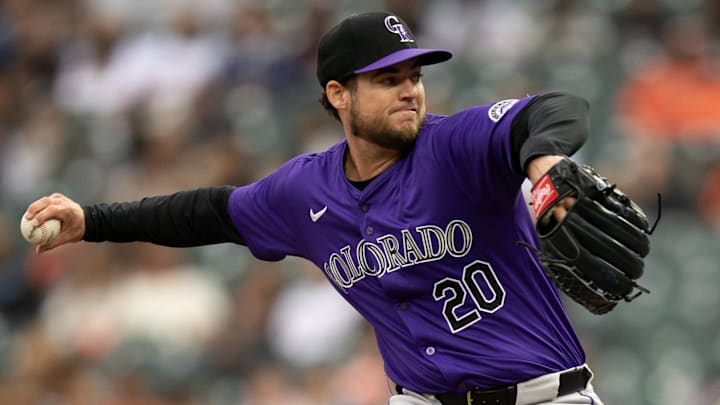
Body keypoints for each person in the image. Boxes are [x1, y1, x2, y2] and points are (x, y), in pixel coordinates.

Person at [25, 11, 604, 405]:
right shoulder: (306, 192)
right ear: (338, 94)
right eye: (388, 79)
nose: (411, 91)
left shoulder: (455, 145)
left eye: (415, 76)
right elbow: (208, 212)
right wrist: (92, 221)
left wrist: (543, 164)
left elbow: (553, 108)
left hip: (544, 394)